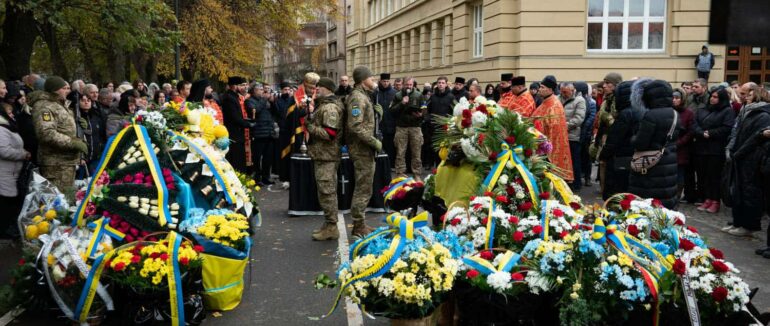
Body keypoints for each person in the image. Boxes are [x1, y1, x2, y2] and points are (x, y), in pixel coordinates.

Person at [725, 84, 770, 238]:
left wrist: (740, 152)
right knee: (740, 191)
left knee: (750, 193)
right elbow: (738, 133)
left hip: (751, 158)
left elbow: (755, 139)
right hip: (741, 155)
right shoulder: (747, 112)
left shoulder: (762, 115)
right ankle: (739, 221)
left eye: (749, 95)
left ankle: (749, 225)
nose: (745, 97)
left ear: (757, 96)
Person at [627, 79, 679, 209]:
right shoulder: (674, 113)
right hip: (668, 161)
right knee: (665, 202)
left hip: (650, 165)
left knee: (648, 204)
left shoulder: (651, 115)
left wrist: (632, 138)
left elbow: (641, 143)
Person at [30, 76, 87, 193]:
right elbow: (46, 133)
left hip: (65, 162)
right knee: (59, 202)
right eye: (64, 88)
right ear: (54, 90)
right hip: (55, 164)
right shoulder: (44, 106)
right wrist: (72, 143)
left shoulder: (59, 104)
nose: (68, 91)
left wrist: (79, 126)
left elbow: (63, 127)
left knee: (68, 198)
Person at [345, 66, 381, 238]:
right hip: (361, 149)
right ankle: (358, 225)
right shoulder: (358, 98)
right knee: (363, 188)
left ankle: (361, 223)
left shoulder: (365, 96)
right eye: (370, 76)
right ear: (362, 79)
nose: (373, 79)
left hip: (365, 149)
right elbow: (355, 125)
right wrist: (373, 141)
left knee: (365, 187)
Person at [308, 77, 344, 241]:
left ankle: (331, 226)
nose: (317, 90)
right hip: (323, 155)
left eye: (319, 87)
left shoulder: (330, 108)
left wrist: (310, 127)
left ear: (327, 88)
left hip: (327, 155)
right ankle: (329, 223)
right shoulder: (324, 105)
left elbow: (330, 134)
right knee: (324, 191)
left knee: (327, 191)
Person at [692, 87, 735, 213]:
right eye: (712, 96)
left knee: (714, 176)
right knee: (703, 175)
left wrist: (710, 133)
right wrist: (701, 133)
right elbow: (694, 124)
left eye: (716, 97)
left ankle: (715, 200)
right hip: (701, 147)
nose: (712, 98)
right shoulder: (702, 110)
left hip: (715, 149)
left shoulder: (727, 111)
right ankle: (707, 198)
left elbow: (727, 128)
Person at [598, 80, 634, 199]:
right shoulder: (635, 111)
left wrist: (603, 155)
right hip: (629, 155)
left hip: (620, 157)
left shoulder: (624, 114)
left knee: (616, 192)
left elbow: (614, 139)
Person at [533, 75, 573, 181]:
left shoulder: (555, 105)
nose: (539, 90)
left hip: (547, 149)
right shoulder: (545, 102)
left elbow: (554, 132)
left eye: (542, 87)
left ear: (550, 89)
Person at [0, 103, 29, 238]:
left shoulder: (7, 127)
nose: (12, 115)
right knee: (6, 203)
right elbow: (3, 150)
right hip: (4, 173)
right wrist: (23, 154)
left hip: (11, 172)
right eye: (9, 113)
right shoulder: (1, 129)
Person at [592, 72, 623, 194]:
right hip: (603, 137)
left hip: (613, 140)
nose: (604, 86)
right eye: (604, 83)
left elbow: (618, 124)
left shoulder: (619, 100)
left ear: (616, 85)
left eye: (608, 83)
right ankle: (603, 191)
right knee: (602, 164)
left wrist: (606, 117)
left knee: (610, 167)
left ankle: (609, 194)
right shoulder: (606, 100)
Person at [390, 77, 424, 181]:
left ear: (413, 84)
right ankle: (400, 173)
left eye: (411, 85)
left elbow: (424, 110)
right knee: (400, 152)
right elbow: (391, 111)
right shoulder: (398, 95)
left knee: (416, 152)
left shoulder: (419, 95)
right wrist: (401, 103)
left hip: (415, 127)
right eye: (407, 85)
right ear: (403, 84)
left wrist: (421, 115)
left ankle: (417, 174)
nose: (409, 87)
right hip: (401, 127)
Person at [222, 76, 255, 173]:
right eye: (240, 85)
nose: (243, 88)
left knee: (240, 158)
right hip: (234, 133)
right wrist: (248, 124)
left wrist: (248, 121)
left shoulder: (234, 97)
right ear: (234, 86)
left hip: (238, 133)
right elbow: (234, 117)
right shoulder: (229, 98)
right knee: (236, 159)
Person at [246, 83, 275, 185]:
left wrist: (272, 101)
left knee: (268, 157)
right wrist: (264, 100)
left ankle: (266, 177)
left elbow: (275, 112)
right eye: (260, 89)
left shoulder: (266, 101)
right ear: (254, 91)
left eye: (263, 89)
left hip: (269, 132)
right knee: (257, 157)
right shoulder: (249, 101)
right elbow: (256, 111)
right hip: (258, 133)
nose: (263, 91)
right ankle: (257, 178)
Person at [71, 92, 106, 178]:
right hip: (81, 159)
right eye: (83, 100)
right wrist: (80, 157)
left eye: (88, 100)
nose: (86, 102)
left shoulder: (96, 116)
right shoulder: (74, 117)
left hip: (95, 157)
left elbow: (101, 135)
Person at [559, 82, 586, 190]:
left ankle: (576, 184)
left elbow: (579, 118)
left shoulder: (579, 100)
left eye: (565, 92)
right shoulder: (557, 98)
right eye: (561, 92)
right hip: (560, 136)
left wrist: (563, 126)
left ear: (572, 90)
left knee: (574, 161)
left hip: (572, 136)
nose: (563, 94)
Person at [672, 88, 695, 204]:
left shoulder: (688, 113)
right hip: (669, 147)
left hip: (682, 148)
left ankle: (677, 195)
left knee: (680, 174)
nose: (674, 100)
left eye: (677, 98)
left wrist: (680, 142)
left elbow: (691, 132)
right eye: (672, 98)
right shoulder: (669, 111)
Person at [426, 76, 454, 167]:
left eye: (442, 83)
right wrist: (429, 119)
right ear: (436, 84)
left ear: (446, 84)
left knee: (443, 148)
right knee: (433, 147)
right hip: (433, 126)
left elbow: (454, 111)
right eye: (439, 83)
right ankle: (434, 165)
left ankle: (443, 166)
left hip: (445, 127)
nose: (441, 84)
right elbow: (428, 110)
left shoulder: (450, 97)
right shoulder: (433, 96)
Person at [574, 82, 596, 187]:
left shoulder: (591, 102)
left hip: (586, 134)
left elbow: (590, 120)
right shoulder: (575, 100)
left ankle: (587, 177)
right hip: (578, 134)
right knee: (577, 157)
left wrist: (583, 132)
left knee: (586, 157)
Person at [373, 73, 397, 168]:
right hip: (379, 124)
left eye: (387, 81)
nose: (385, 83)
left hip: (391, 123)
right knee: (379, 146)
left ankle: (390, 165)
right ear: (380, 81)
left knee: (391, 147)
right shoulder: (376, 93)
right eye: (384, 81)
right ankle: (379, 166)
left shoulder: (394, 93)